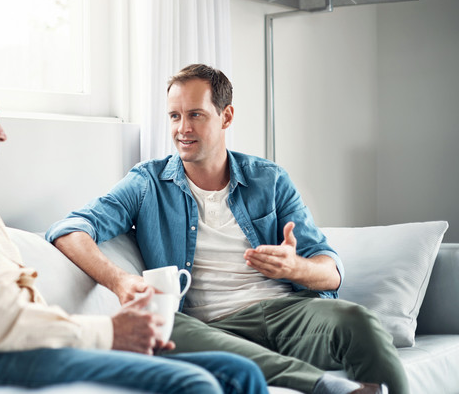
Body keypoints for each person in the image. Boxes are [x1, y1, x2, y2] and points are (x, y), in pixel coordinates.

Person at [0, 65, 267, 394]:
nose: (1, 133)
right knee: (192, 383)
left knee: (239, 372)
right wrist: (106, 331)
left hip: (32, 344)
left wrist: (112, 335)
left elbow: (22, 307)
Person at [46, 64, 408, 394]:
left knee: (358, 320)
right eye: (174, 116)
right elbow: (69, 230)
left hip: (288, 313)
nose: (182, 129)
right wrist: (120, 281)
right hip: (210, 326)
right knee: (167, 328)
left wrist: (295, 268)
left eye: (196, 115)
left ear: (226, 116)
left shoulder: (269, 179)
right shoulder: (147, 183)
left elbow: (330, 273)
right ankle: (326, 387)